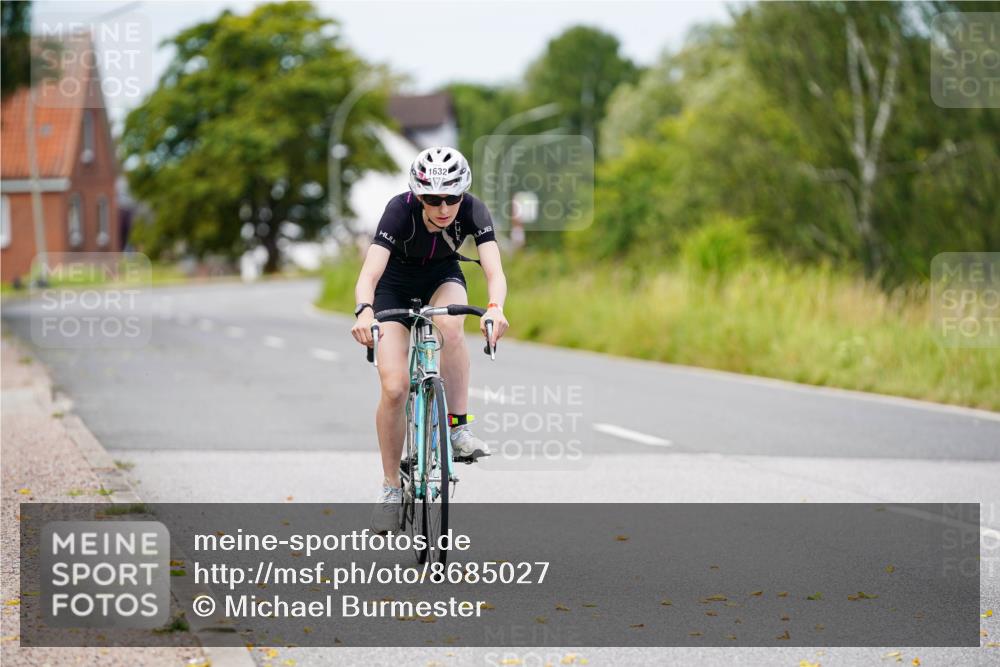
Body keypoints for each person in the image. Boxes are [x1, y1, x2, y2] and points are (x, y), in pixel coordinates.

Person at [350, 147, 509, 534]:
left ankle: (456, 429)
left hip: (442, 278)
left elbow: (495, 271)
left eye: (451, 197)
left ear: (462, 193)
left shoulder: (473, 211)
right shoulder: (398, 211)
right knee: (395, 387)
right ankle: (390, 487)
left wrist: (495, 308)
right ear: (417, 195)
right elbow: (370, 273)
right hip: (393, 287)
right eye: (432, 199)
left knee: (453, 328)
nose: (443, 207)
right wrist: (364, 311)